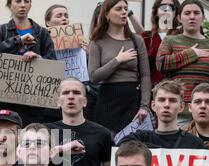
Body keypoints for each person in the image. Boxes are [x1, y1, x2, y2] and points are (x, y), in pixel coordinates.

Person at [156, 0, 209, 128]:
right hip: (179, 113)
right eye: (187, 13)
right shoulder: (170, 41)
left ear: (203, 17)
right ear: (179, 18)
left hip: (208, 113)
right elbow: (161, 64)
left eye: (196, 13)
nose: (192, 17)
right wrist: (192, 53)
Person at [47, 78, 112, 166]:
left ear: (85, 101)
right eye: (65, 93)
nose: (71, 96)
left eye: (76, 92)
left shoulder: (102, 133)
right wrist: (61, 149)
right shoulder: (44, 132)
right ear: (58, 101)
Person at [0, 0, 57, 126]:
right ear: (9, 5)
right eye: (18, 1)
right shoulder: (0, 31)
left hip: (33, 104)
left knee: (32, 139)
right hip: (3, 101)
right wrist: (18, 41)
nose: (23, 5)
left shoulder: (42, 33)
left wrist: (39, 59)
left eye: (27, 1)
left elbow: (53, 63)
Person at [88, 0, 151, 134]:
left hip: (132, 99)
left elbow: (145, 75)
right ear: (106, 14)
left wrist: (144, 106)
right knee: (108, 146)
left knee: (132, 146)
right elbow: (94, 77)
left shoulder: (136, 40)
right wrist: (117, 60)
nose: (124, 12)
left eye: (125, 8)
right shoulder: (97, 41)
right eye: (118, 9)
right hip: (108, 101)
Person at [44, 4, 96, 121]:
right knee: (58, 136)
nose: (64, 18)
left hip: (74, 99)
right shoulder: (42, 42)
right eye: (59, 16)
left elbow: (90, 71)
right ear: (48, 22)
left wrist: (87, 54)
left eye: (66, 16)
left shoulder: (80, 41)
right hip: (52, 104)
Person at [118, 79, 204, 149]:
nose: (166, 105)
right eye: (162, 100)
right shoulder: (139, 139)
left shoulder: (194, 144)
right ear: (153, 105)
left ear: (181, 107)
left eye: (172, 100)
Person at [141, 0, 181, 87]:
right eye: (163, 6)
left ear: (176, 13)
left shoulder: (182, 35)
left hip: (177, 89)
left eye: (171, 7)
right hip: (152, 89)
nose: (167, 9)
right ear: (156, 12)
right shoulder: (146, 36)